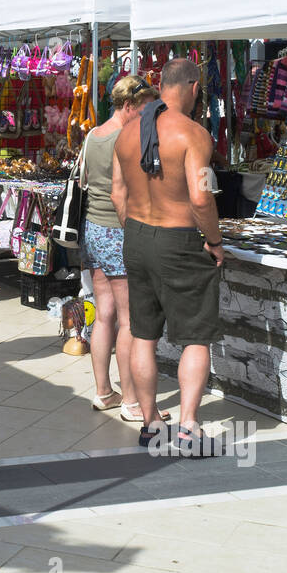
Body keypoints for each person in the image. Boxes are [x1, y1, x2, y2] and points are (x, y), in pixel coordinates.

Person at [112, 58, 224, 455]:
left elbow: (117, 195)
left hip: (137, 236)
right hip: (179, 240)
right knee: (194, 337)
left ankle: (151, 423)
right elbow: (200, 196)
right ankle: (189, 428)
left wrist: (139, 231)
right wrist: (213, 239)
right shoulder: (193, 133)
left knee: (143, 333)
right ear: (193, 87)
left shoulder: (126, 133)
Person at [81, 76, 172, 423]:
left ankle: (104, 391)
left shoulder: (94, 135)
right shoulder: (127, 137)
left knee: (103, 313)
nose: (149, 112)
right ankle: (132, 401)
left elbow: (87, 181)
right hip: (118, 232)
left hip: (93, 229)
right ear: (130, 105)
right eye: (146, 105)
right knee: (129, 320)